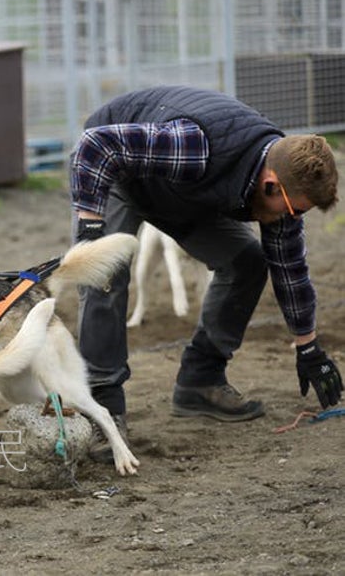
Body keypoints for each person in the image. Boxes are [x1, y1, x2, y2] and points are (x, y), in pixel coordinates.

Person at [68, 85, 344, 464]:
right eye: (293, 210)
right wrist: (90, 227)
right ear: (270, 182)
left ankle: (200, 381)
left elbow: (291, 270)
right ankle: (101, 405)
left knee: (248, 261)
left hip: (180, 191)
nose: (292, 219)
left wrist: (308, 346)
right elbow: (95, 145)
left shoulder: (283, 189)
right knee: (105, 273)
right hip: (118, 171)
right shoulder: (195, 145)